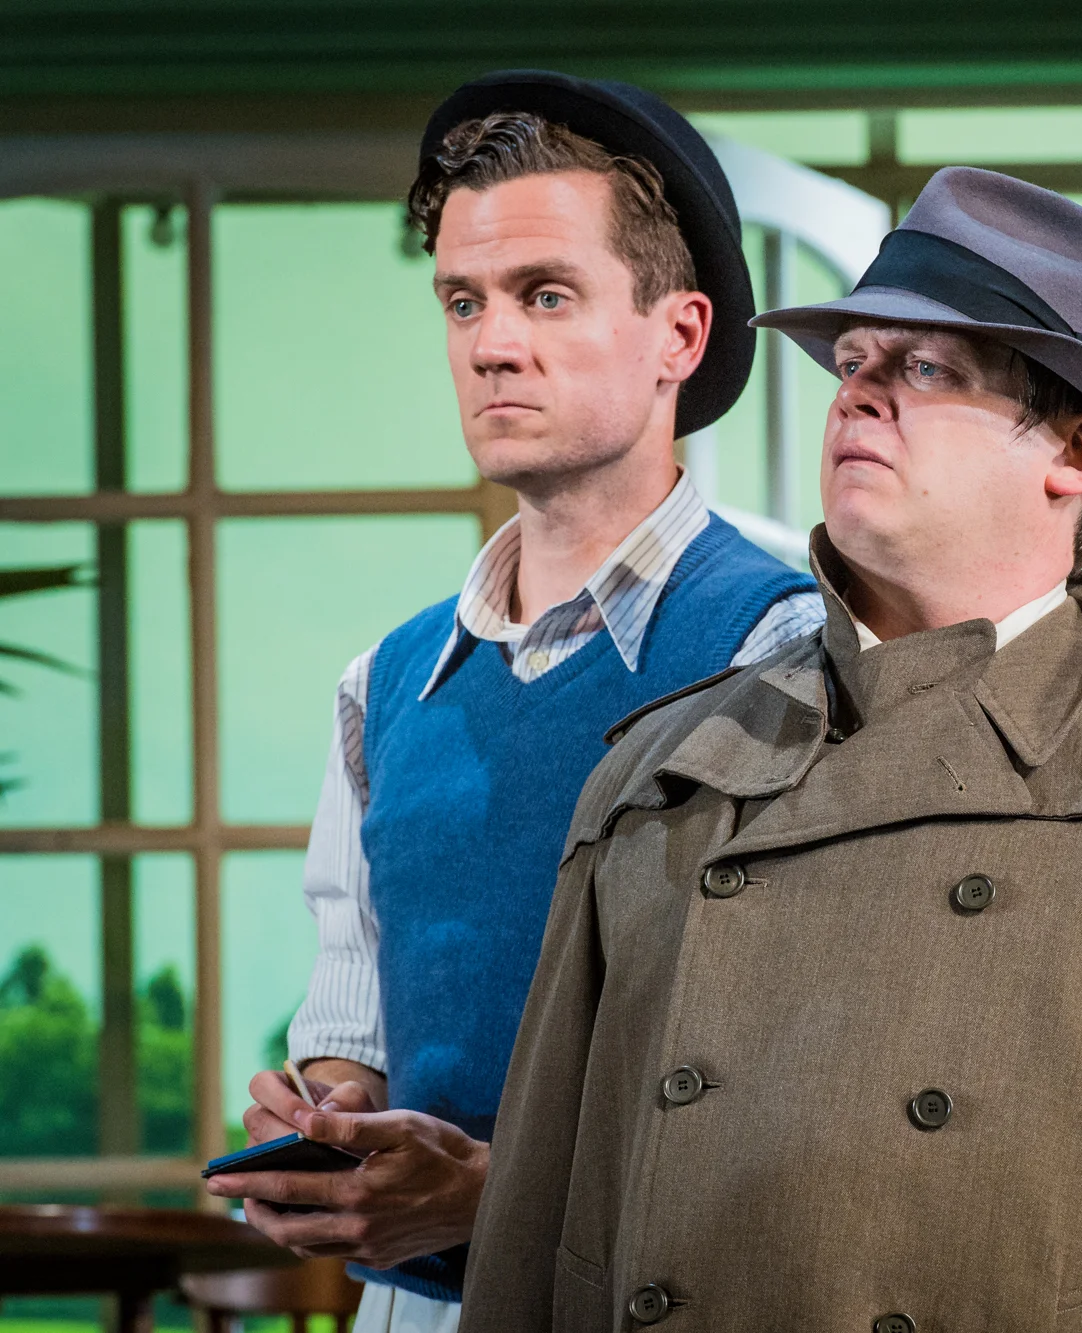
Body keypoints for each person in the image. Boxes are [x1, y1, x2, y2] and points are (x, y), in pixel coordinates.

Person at [461, 168, 1082, 1330]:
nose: (858, 394)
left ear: (1077, 450)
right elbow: (531, 1248)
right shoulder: (658, 771)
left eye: (928, 370)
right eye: (853, 362)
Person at [201, 70, 824, 1332]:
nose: (491, 343)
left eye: (546, 295)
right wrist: (330, 1122)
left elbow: (803, 1078)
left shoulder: (785, 649)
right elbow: (353, 1016)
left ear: (679, 337)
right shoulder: (384, 684)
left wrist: (492, 1195)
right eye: (463, 301)